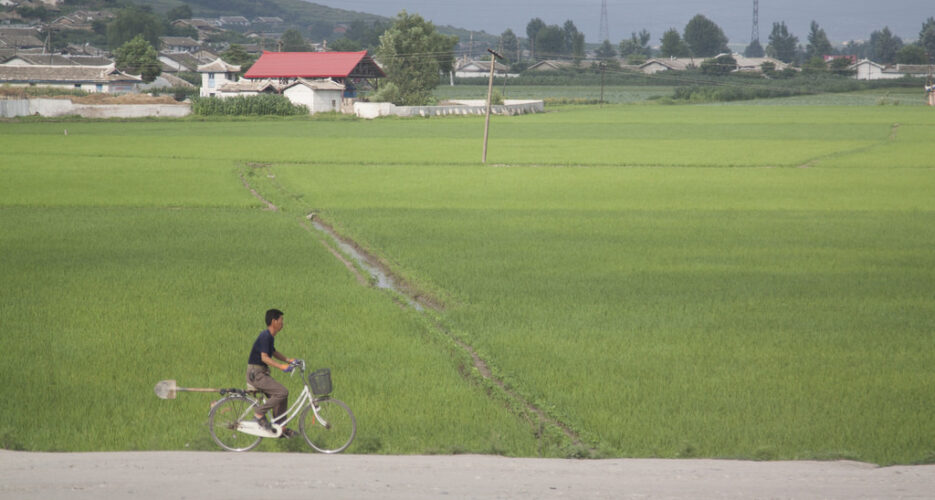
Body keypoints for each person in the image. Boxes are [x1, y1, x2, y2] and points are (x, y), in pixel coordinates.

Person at [246, 308, 296, 437]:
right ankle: (259, 413)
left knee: (282, 395)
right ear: (274, 321)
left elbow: (273, 352)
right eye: (281, 320)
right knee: (282, 392)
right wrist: (281, 366)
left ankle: (280, 428)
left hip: (261, 373)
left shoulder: (269, 337)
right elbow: (264, 357)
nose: (282, 323)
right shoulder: (265, 336)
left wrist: (288, 360)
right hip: (256, 374)